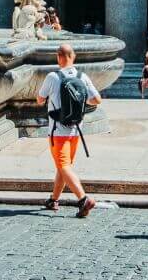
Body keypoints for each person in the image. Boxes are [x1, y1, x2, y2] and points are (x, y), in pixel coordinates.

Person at [36, 42, 101, 218]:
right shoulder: (82, 76)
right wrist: (79, 102)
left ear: (58, 57)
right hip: (76, 130)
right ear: (73, 57)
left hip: (58, 131)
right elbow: (97, 99)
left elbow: (40, 99)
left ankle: (83, 199)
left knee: (63, 165)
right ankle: (53, 199)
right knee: (63, 166)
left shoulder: (53, 76)